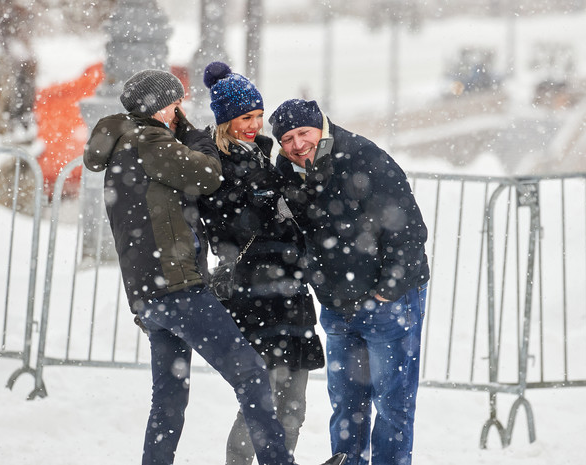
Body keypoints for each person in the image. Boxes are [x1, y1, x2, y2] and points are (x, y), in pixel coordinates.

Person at [83, 70, 344, 465]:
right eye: (175, 104)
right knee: (252, 376)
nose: (179, 111)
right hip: (177, 288)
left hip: (149, 294)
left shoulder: (124, 146)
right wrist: (195, 134)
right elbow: (207, 175)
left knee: (169, 399)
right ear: (159, 107)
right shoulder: (150, 140)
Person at [269, 99, 430, 465]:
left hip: (387, 303)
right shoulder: (287, 172)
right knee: (347, 406)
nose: (296, 144)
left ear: (321, 127)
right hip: (337, 306)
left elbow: (407, 229)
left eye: (303, 133)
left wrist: (387, 288)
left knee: (393, 404)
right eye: (287, 139)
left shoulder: (363, 158)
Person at [197, 62, 325, 465]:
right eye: (244, 118)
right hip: (256, 293)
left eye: (256, 116)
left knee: (294, 403)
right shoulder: (217, 162)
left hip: (290, 290)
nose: (253, 125)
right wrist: (269, 206)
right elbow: (225, 230)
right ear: (225, 121)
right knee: (262, 401)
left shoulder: (265, 157)